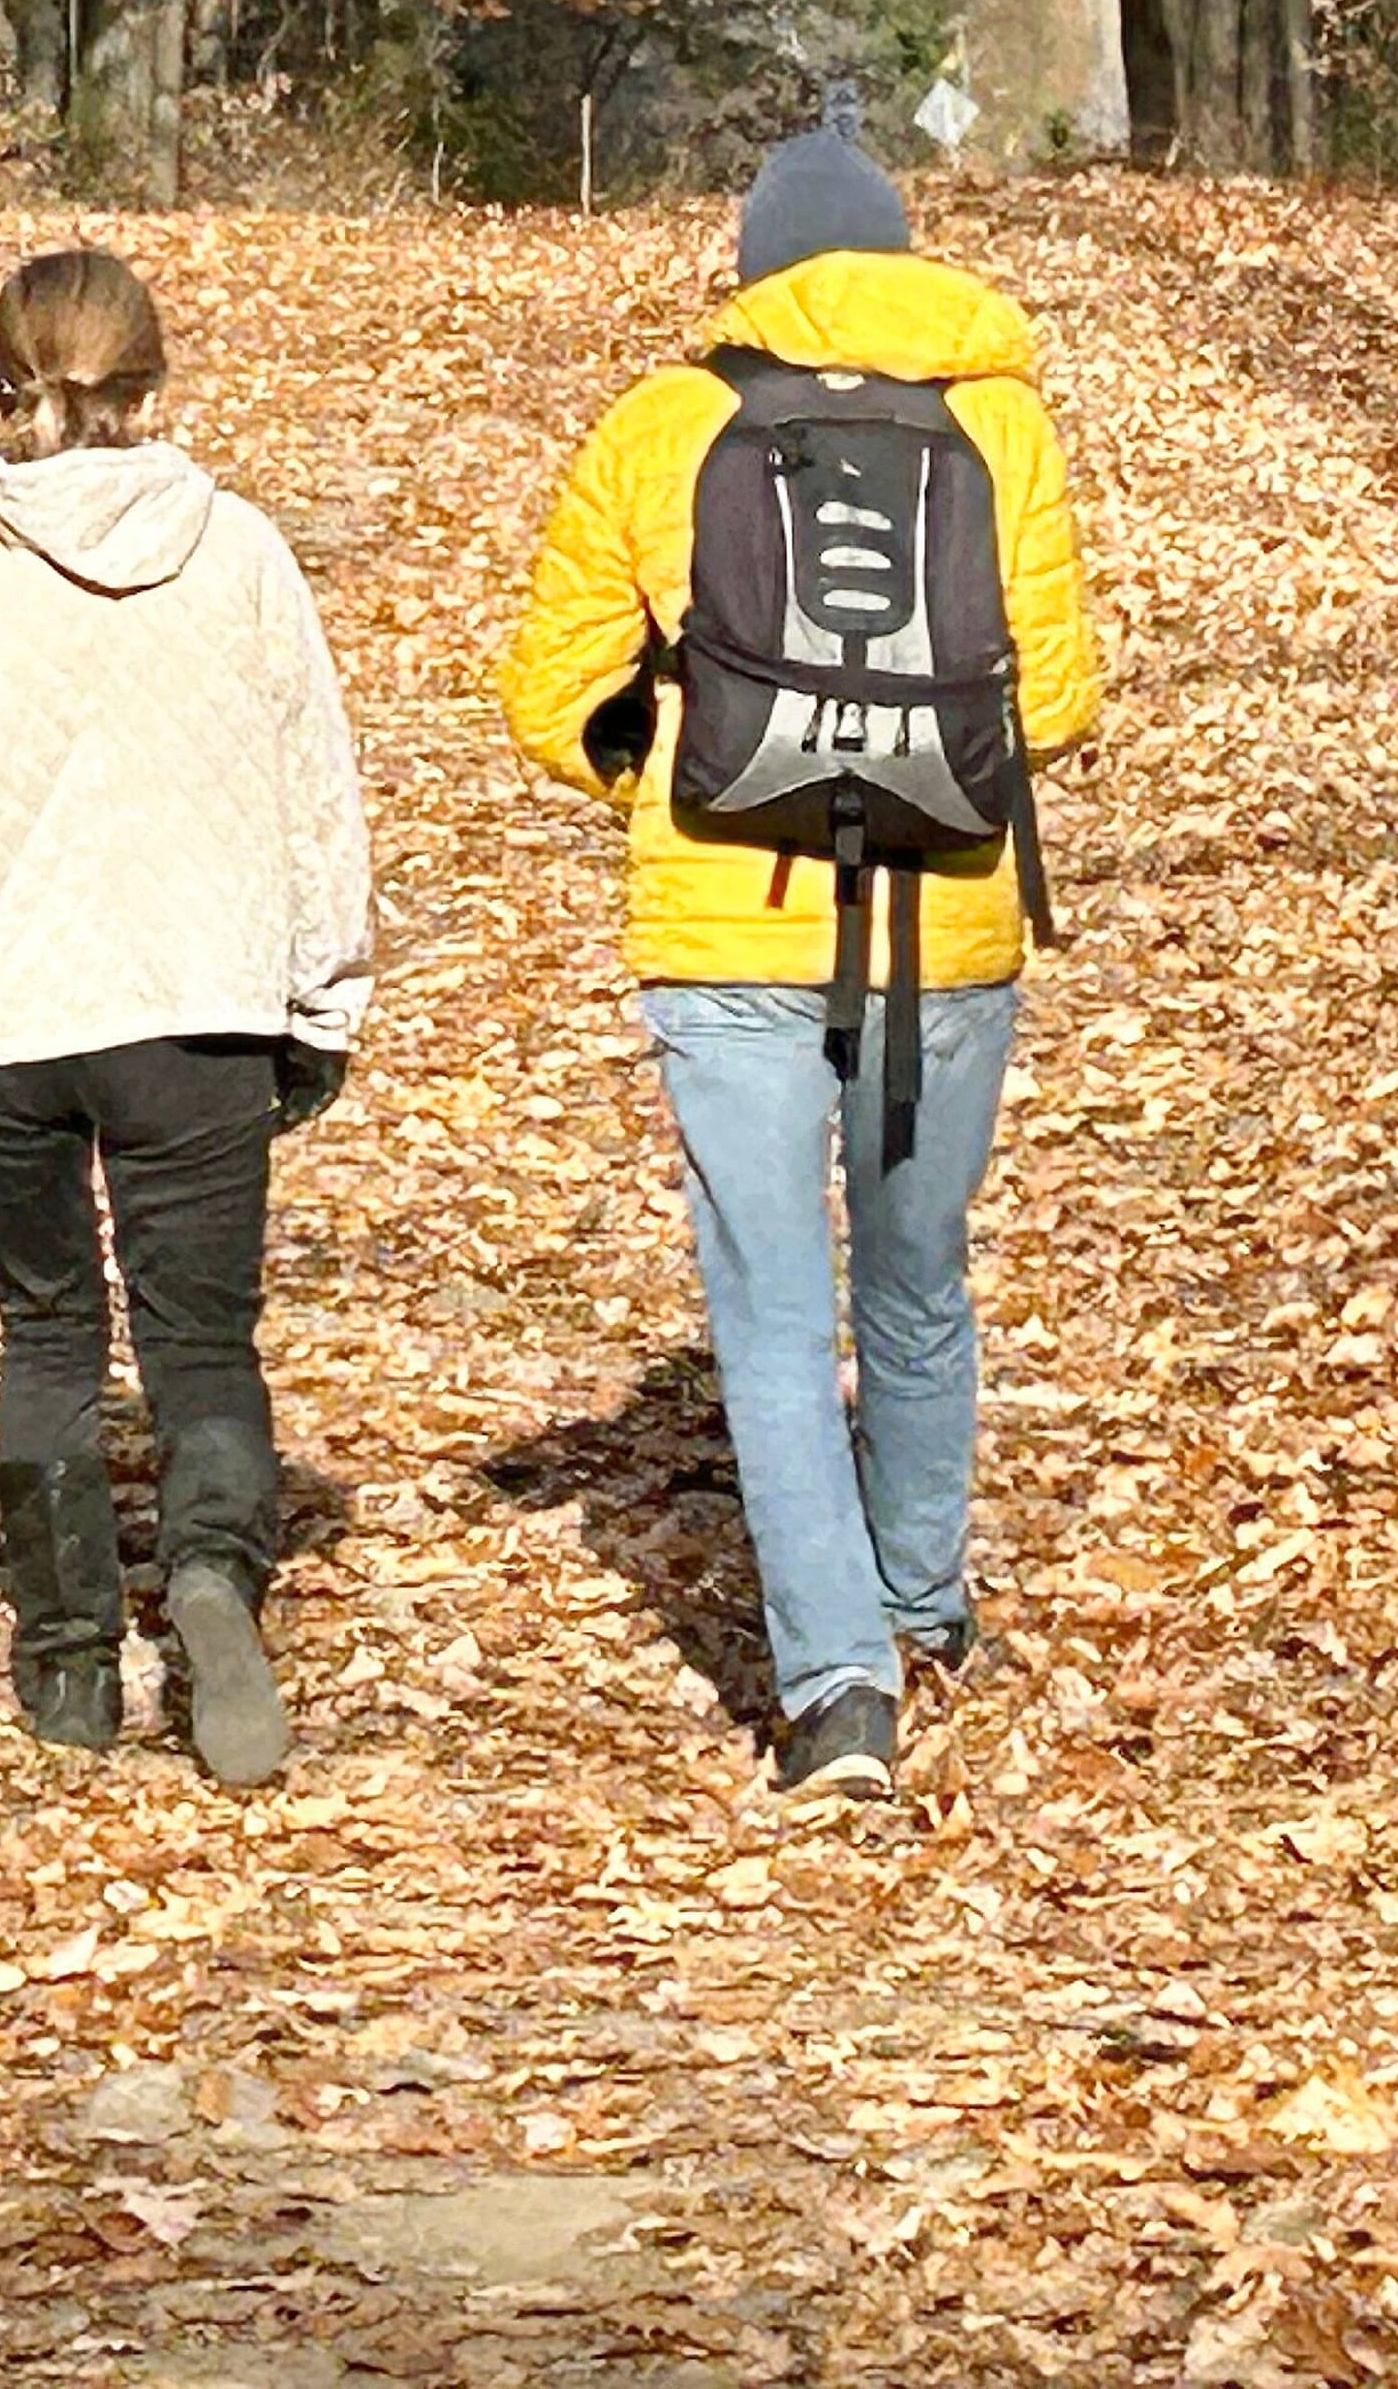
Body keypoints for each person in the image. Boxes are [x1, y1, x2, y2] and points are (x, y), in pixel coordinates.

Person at [496, 106, 1100, 1798]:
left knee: (769, 1313)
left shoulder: (667, 421)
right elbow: (1057, 702)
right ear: (902, 259)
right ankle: (923, 1600)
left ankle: (838, 1692)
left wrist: (668, 760)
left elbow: (545, 694)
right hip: (947, 922)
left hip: (722, 923)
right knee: (916, 1279)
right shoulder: (1000, 421)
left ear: (752, 270)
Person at [0, 248, 373, 1789]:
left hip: (3, 1021)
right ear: (154, 383)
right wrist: (322, 998)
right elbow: (314, 788)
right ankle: (211, 1578)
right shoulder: (241, 552)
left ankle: (67, 1661)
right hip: (196, 1009)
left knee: (49, 1329)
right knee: (200, 1339)